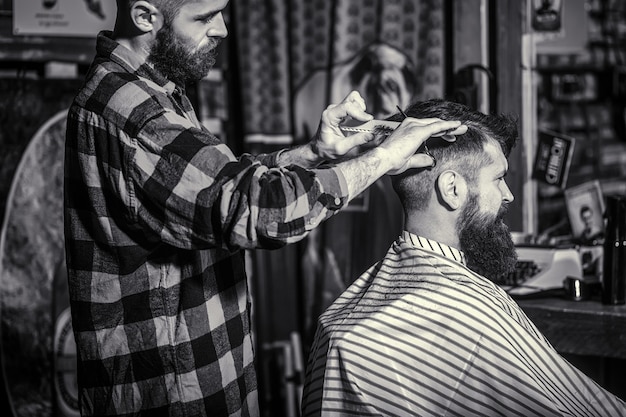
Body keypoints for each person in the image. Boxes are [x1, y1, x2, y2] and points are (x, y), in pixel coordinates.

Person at [63, 1, 466, 416]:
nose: (221, 29)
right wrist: (382, 157)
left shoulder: (155, 90)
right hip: (171, 397)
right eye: (204, 17)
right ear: (146, 17)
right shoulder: (134, 113)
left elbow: (219, 185)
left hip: (201, 380)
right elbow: (261, 209)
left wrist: (315, 154)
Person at [301, 99, 626, 417]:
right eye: (498, 178)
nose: (508, 194)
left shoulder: (336, 324)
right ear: (452, 189)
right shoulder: (472, 311)